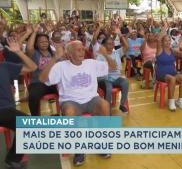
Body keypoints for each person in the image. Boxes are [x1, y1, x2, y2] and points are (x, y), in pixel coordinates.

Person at [39, 40, 112, 166]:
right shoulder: (61, 66)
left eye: (83, 49)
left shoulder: (91, 63)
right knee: (69, 111)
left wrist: (105, 55)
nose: (82, 51)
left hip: (91, 99)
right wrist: (55, 57)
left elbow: (112, 67)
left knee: (104, 105)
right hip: (71, 101)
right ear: (70, 53)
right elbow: (42, 79)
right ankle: (79, 150)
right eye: (78, 50)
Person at [0, 38, 37, 169]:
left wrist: (19, 52)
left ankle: (12, 159)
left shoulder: (4, 66)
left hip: (5, 111)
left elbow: (32, 67)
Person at [25, 24, 59, 116]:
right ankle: (35, 118)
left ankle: (60, 115)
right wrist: (34, 31)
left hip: (53, 82)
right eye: (41, 42)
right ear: (36, 44)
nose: (44, 43)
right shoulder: (34, 53)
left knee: (67, 92)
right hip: (38, 83)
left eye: (46, 41)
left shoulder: (53, 53)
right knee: (33, 96)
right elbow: (29, 47)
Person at [97, 27, 130, 113]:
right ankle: (107, 109)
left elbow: (126, 47)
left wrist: (120, 35)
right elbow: (98, 72)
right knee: (108, 87)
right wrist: (108, 69)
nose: (111, 46)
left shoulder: (116, 52)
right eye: (108, 44)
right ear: (104, 45)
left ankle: (122, 104)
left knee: (125, 82)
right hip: (105, 79)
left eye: (112, 44)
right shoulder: (100, 56)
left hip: (116, 78)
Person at [155, 26, 182, 111]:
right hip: (161, 75)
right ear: (162, 42)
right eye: (165, 40)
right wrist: (164, 28)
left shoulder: (172, 50)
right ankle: (171, 101)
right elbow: (158, 39)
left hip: (172, 73)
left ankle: (179, 100)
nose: (168, 42)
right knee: (172, 79)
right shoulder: (159, 50)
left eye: (169, 40)